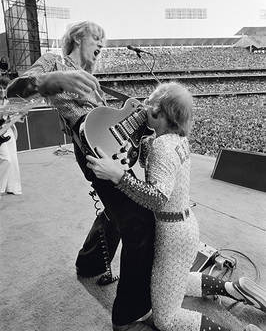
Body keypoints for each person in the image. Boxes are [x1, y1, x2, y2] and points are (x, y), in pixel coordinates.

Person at [6, 21, 155, 330]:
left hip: (106, 147)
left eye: (103, 40)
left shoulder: (92, 79)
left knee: (115, 211)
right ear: (76, 37)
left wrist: (134, 127)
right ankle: (129, 314)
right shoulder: (54, 60)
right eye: (96, 37)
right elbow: (15, 88)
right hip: (88, 148)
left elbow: (109, 124)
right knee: (139, 221)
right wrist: (54, 79)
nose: (101, 43)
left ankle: (89, 262)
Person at [86, 81, 266, 331]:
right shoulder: (175, 140)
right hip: (184, 227)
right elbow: (152, 159)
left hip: (172, 234)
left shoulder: (162, 147)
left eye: (149, 103)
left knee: (166, 318)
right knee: (176, 278)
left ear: (160, 111)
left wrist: (119, 176)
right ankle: (232, 288)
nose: (144, 107)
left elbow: (157, 197)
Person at [0, 77, 22, 196]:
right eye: (0, 88)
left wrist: (21, 115)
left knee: (13, 158)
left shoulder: (10, 102)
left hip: (8, 131)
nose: (2, 90)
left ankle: (13, 187)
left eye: (4, 88)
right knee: (6, 159)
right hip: (0, 133)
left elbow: (16, 118)